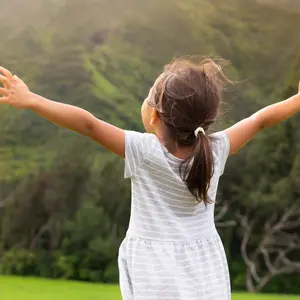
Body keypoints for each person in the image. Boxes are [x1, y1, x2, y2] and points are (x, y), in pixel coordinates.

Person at [0, 58, 299, 300]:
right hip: (204, 264)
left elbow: (88, 125)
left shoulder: (143, 152)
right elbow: (260, 120)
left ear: (154, 115)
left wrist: (32, 100)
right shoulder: (216, 149)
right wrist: (298, 100)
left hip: (153, 268)